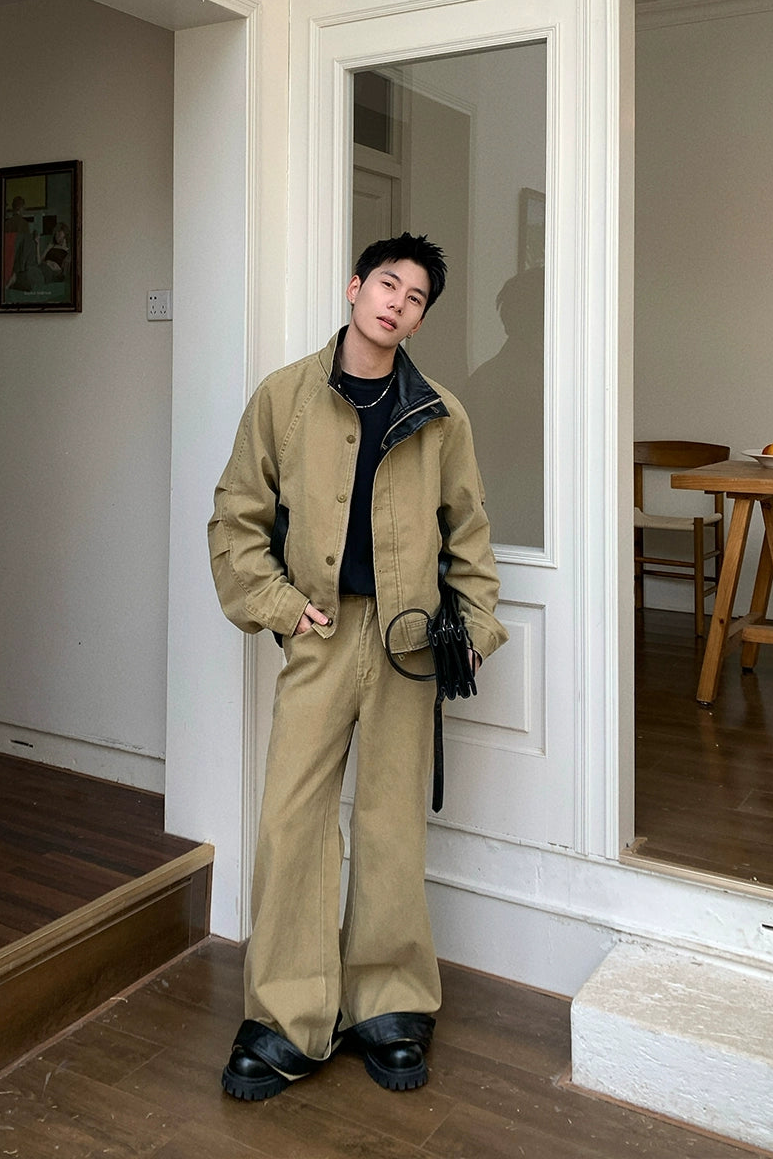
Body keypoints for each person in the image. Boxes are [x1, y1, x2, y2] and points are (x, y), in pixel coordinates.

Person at [208, 232, 508, 1102]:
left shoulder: (441, 414)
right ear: (354, 287)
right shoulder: (284, 397)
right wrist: (278, 605)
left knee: (390, 823)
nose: (396, 304)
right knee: (291, 819)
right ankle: (287, 1015)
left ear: (419, 320)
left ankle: (390, 1006)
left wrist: (473, 628)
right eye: (387, 285)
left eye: (415, 299)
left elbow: (469, 531)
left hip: (408, 646)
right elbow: (237, 515)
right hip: (322, 633)